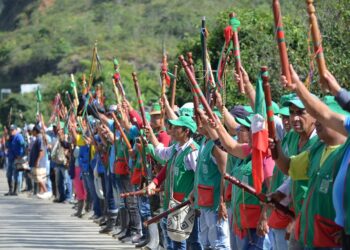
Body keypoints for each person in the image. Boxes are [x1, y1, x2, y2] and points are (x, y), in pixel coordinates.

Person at [280, 65, 350, 249]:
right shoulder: (318, 147)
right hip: (314, 235)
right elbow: (288, 168)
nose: (317, 120)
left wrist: (298, 87)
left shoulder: (343, 151)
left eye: (322, 118)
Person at [146, 115, 202, 250]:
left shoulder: (193, 151)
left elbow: (200, 178)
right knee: (175, 241)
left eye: (177, 127)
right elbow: (160, 152)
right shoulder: (176, 148)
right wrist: (151, 134)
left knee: (192, 241)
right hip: (174, 204)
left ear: (186, 131)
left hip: (187, 205)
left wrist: (195, 198)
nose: (172, 129)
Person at [29, 124, 50, 199]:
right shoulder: (38, 138)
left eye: (33, 131)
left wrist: (37, 161)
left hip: (40, 162)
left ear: (35, 131)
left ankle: (46, 191)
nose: (32, 133)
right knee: (39, 178)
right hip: (38, 162)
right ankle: (41, 192)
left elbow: (42, 152)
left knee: (39, 178)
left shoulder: (40, 139)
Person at [5, 124, 25, 196]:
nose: (11, 131)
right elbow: (7, 146)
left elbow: (24, 145)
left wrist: (21, 155)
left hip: (17, 158)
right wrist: (6, 139)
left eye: (13, 130)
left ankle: (15, 190)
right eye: (10, 130)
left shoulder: (19, 136)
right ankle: (10, 190)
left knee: (16, 175)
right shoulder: (10, 137)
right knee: (9, 174)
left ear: (16, 130)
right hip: (10, 158)